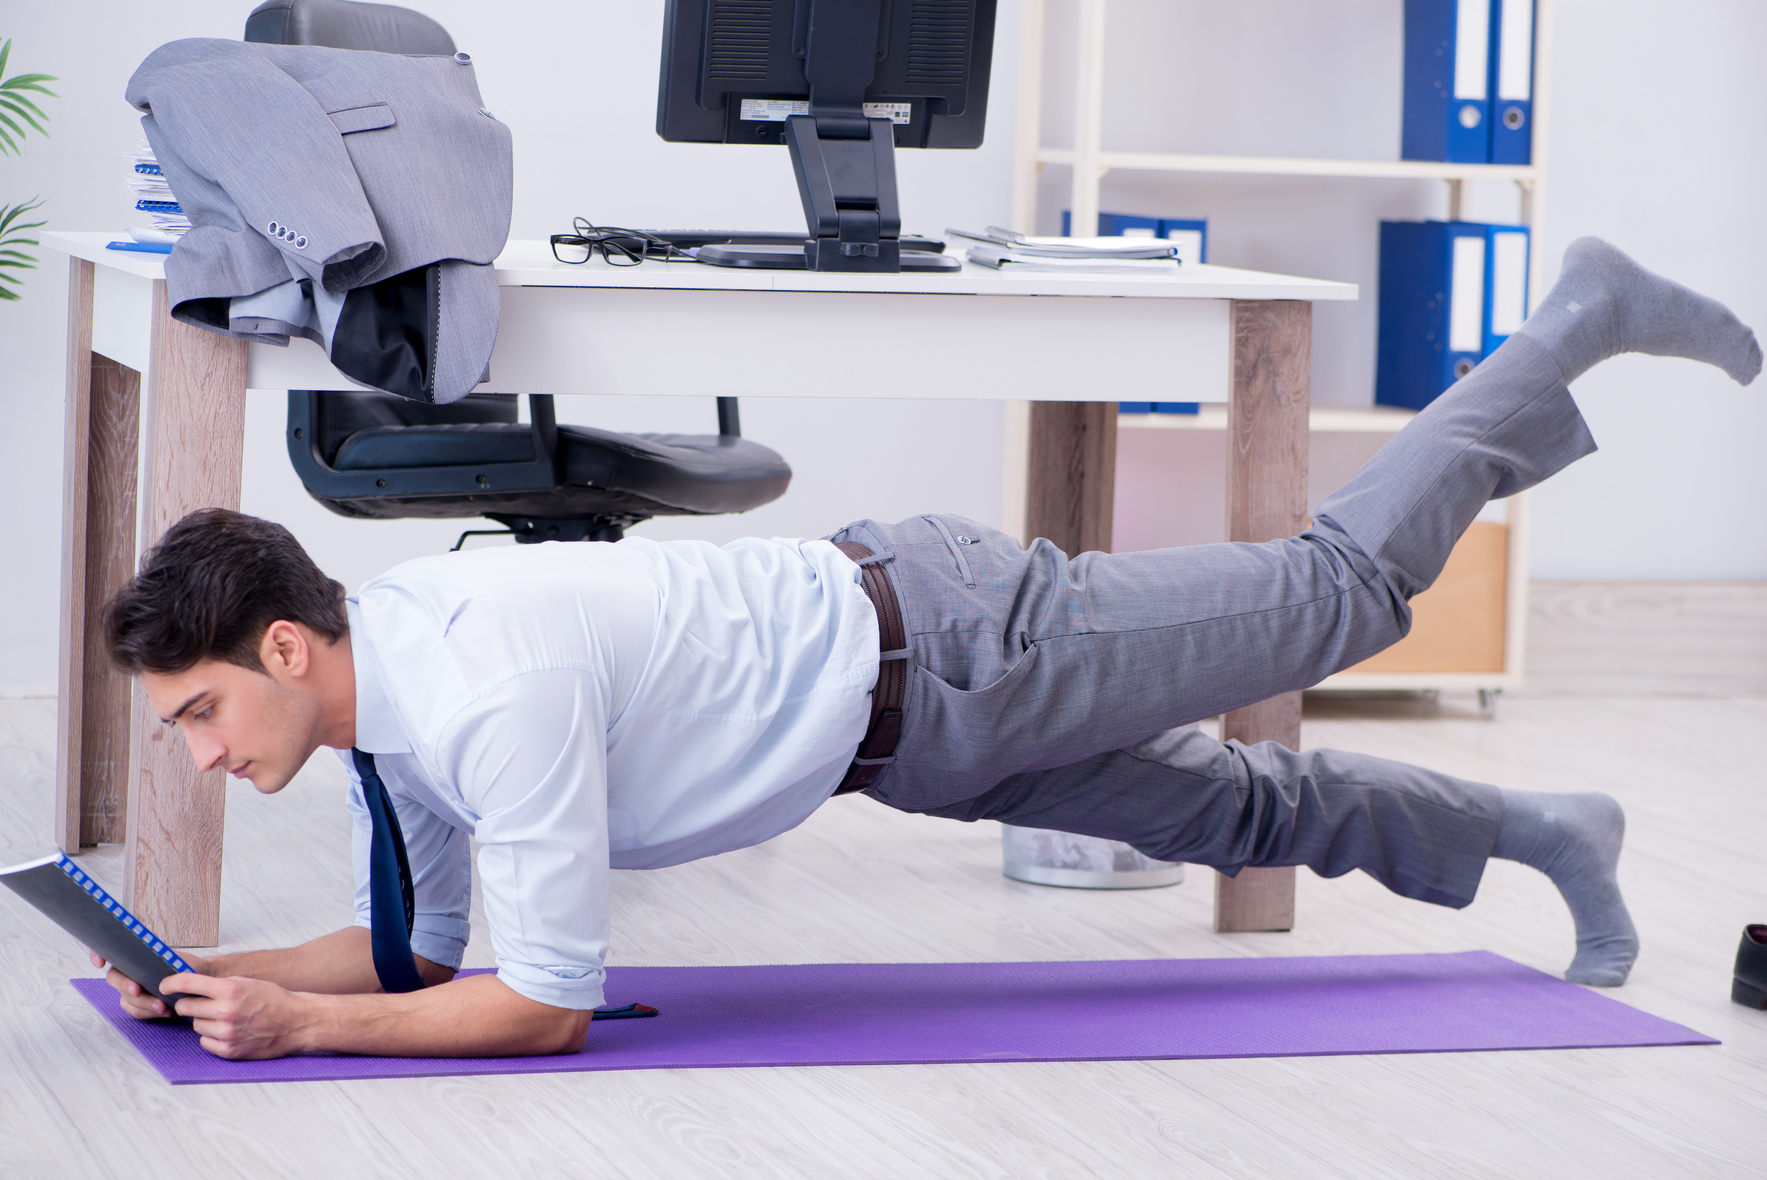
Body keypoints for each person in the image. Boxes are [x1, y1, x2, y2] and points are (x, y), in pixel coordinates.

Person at [93, 239, 1759, 1061]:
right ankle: (1549, 835)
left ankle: (1573, 324)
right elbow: (423, 957)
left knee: (1333, 594)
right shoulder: (400, 693)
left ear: (291, 645)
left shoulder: (490, 695)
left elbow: (534, 1006)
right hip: (911, 743)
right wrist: (214, 982)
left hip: (969, 646)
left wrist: (298, 1034)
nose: (204, 752)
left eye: (201, 713)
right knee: (1243, 811)